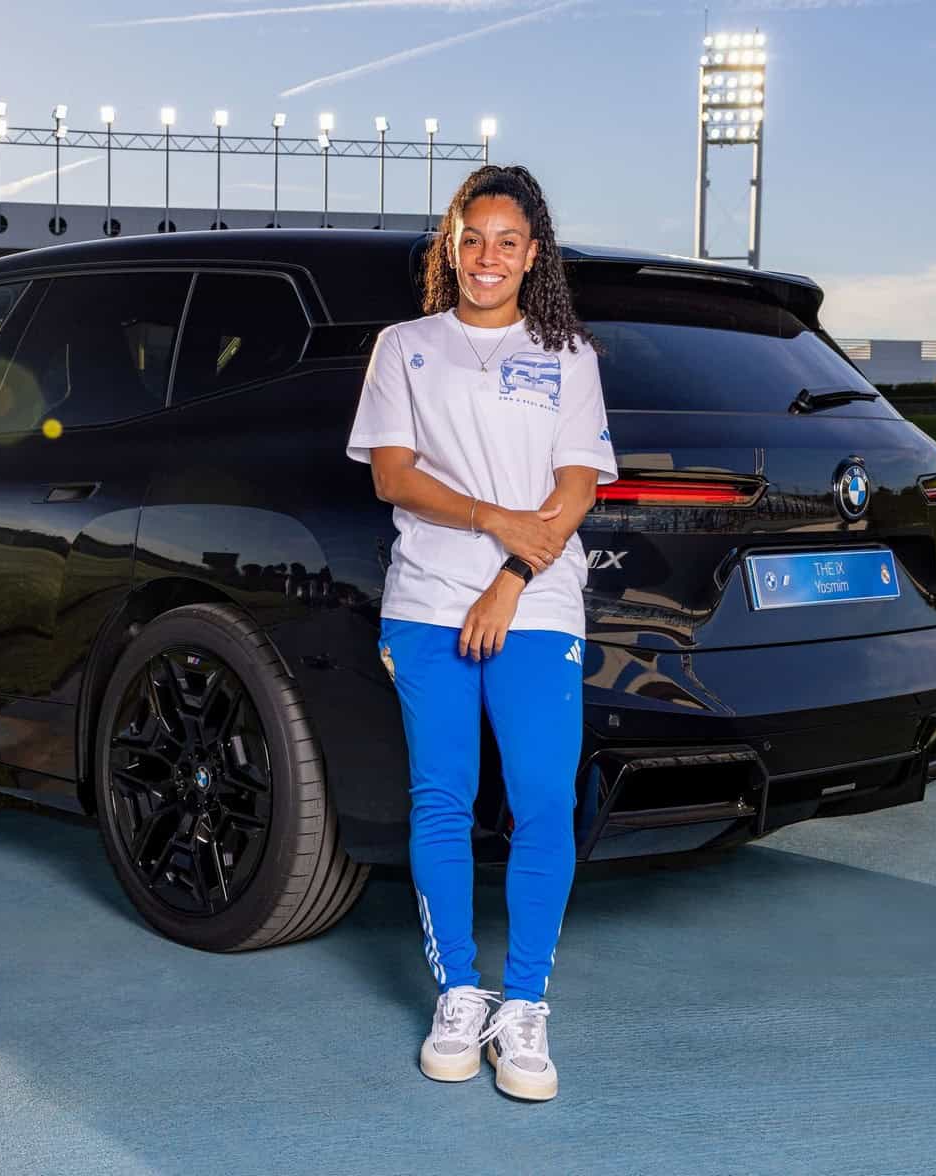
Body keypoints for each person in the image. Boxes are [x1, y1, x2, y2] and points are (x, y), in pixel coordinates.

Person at [344, 164, 618, 1102]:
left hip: (535, 606)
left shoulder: (569, 354)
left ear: (533, 253)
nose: (488, 257)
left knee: (542, 798)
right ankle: (459, 993)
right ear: (450, 248)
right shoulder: (405, 347)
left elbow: (574, 492)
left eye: (507, 241)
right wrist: (495, 520)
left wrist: (508, 578)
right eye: (472, 239)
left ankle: (526, 1005)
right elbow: (392, 475)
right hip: (426, 601)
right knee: (442, 798)